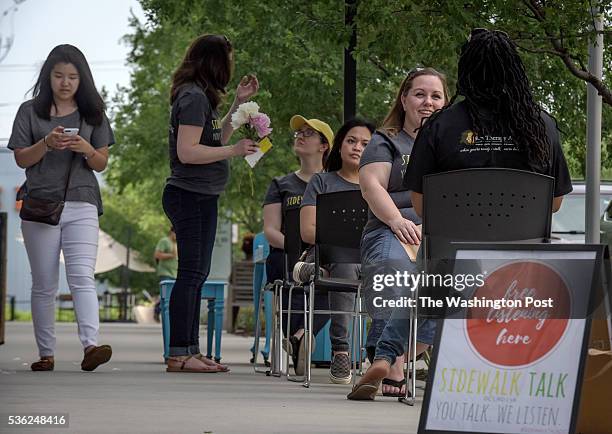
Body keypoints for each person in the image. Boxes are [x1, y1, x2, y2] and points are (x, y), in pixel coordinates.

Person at [350, 30, 572, 401]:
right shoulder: (541, 124)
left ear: (467, 72)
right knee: (437, 280)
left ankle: (388, 356)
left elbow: (422, 206)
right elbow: (554, 203)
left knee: (431, 281)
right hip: (520, 257)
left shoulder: (441, 124)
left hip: (453, 253)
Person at [8, 44, 114, 372]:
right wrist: (46, 143)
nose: (65, 82)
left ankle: (91, 346)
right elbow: (21, 158)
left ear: (82, 79)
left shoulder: (93, 115)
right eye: (58, 76)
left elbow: (101, 164)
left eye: (72, 76)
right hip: (41, 203)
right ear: (48, 77)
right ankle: (46, 354)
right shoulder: (29, 111)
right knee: (44, 283)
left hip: (82, 201)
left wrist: (84, 147)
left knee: (82, 275)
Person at [348, 67, 449, 399]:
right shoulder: (386, 140)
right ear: (404, 98)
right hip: (391, 229)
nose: (427, 102)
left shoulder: (452, 144)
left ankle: (391, 356)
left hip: (437, 233)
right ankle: (391, 366)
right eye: (420, 94)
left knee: (448, 283)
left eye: (436, 96)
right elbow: (371, 185)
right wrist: (397, 221)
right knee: (396, 272)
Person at [162, 34, 259, 373]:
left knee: (198, 273)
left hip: (203, 194)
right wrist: (234, 152)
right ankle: (178, 353)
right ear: (216, 61)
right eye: (228, 60)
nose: (230, 68)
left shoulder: (202, 98)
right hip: (188, 193)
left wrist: (236, 104)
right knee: (189, 273)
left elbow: (217, 139)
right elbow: (188, 152)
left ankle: (190, 348)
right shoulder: (191, 98)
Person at [292, 118, 375, 384]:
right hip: (331, 253)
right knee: (345, 262)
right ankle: (341, 350)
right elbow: (307, 231)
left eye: (365, 143)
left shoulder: (380, 186)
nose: (357, 147)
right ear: (339, 146)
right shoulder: (322, 181)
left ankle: (389, 354)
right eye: (351, 141)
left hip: (371, 257)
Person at [262, 115, 333, 375]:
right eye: (298, 133)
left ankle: (300, 337)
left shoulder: (333, 184)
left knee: (334, 272)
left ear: (324, 145)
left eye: (308, 133)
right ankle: (299, 337)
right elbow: (270, 231)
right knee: (284, 266)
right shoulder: (281, 185)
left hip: (323, 256)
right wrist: (297, 250)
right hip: (286, 254)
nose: (300, 136)